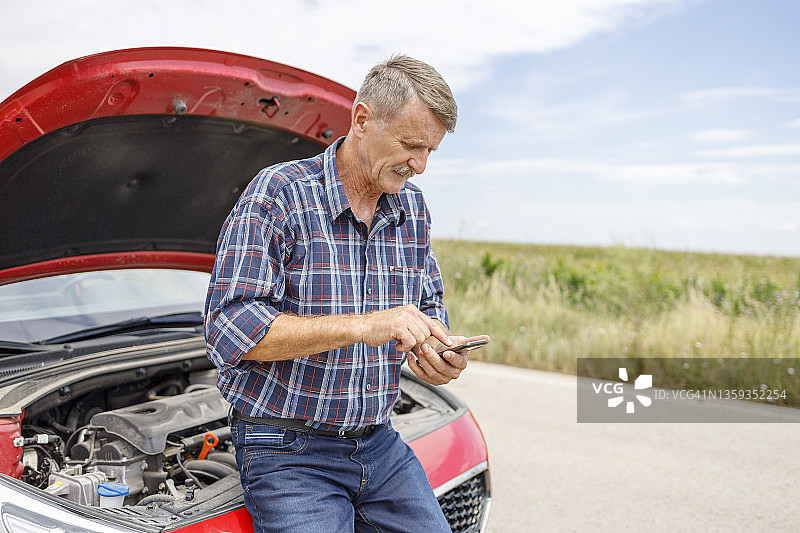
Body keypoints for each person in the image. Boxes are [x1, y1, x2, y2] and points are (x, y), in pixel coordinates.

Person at [204, 54, 489, 533]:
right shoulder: (280, 194)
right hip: (286, 450)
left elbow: (428, 308)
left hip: (378, 443)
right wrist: (365, 325)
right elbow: (231, 330)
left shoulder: (412, 209)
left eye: (430, 152)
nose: (420, 165)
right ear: (361, 119)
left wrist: (436, 352)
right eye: (410, 145)